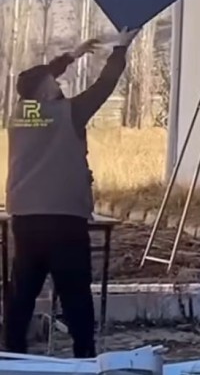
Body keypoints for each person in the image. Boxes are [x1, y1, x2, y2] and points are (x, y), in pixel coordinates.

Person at [4, 29, 137, 358]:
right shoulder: (69, 113)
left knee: (22, 294)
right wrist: (120, 49)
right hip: (64, 220)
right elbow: (103, 87)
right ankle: (84, 357)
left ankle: (13, 356)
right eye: (54, 82)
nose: (58, 84)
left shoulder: (20, 114)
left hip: (25, 218)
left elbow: (35, 78)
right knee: (76, 294)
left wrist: (72, 56)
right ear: (44, 90)